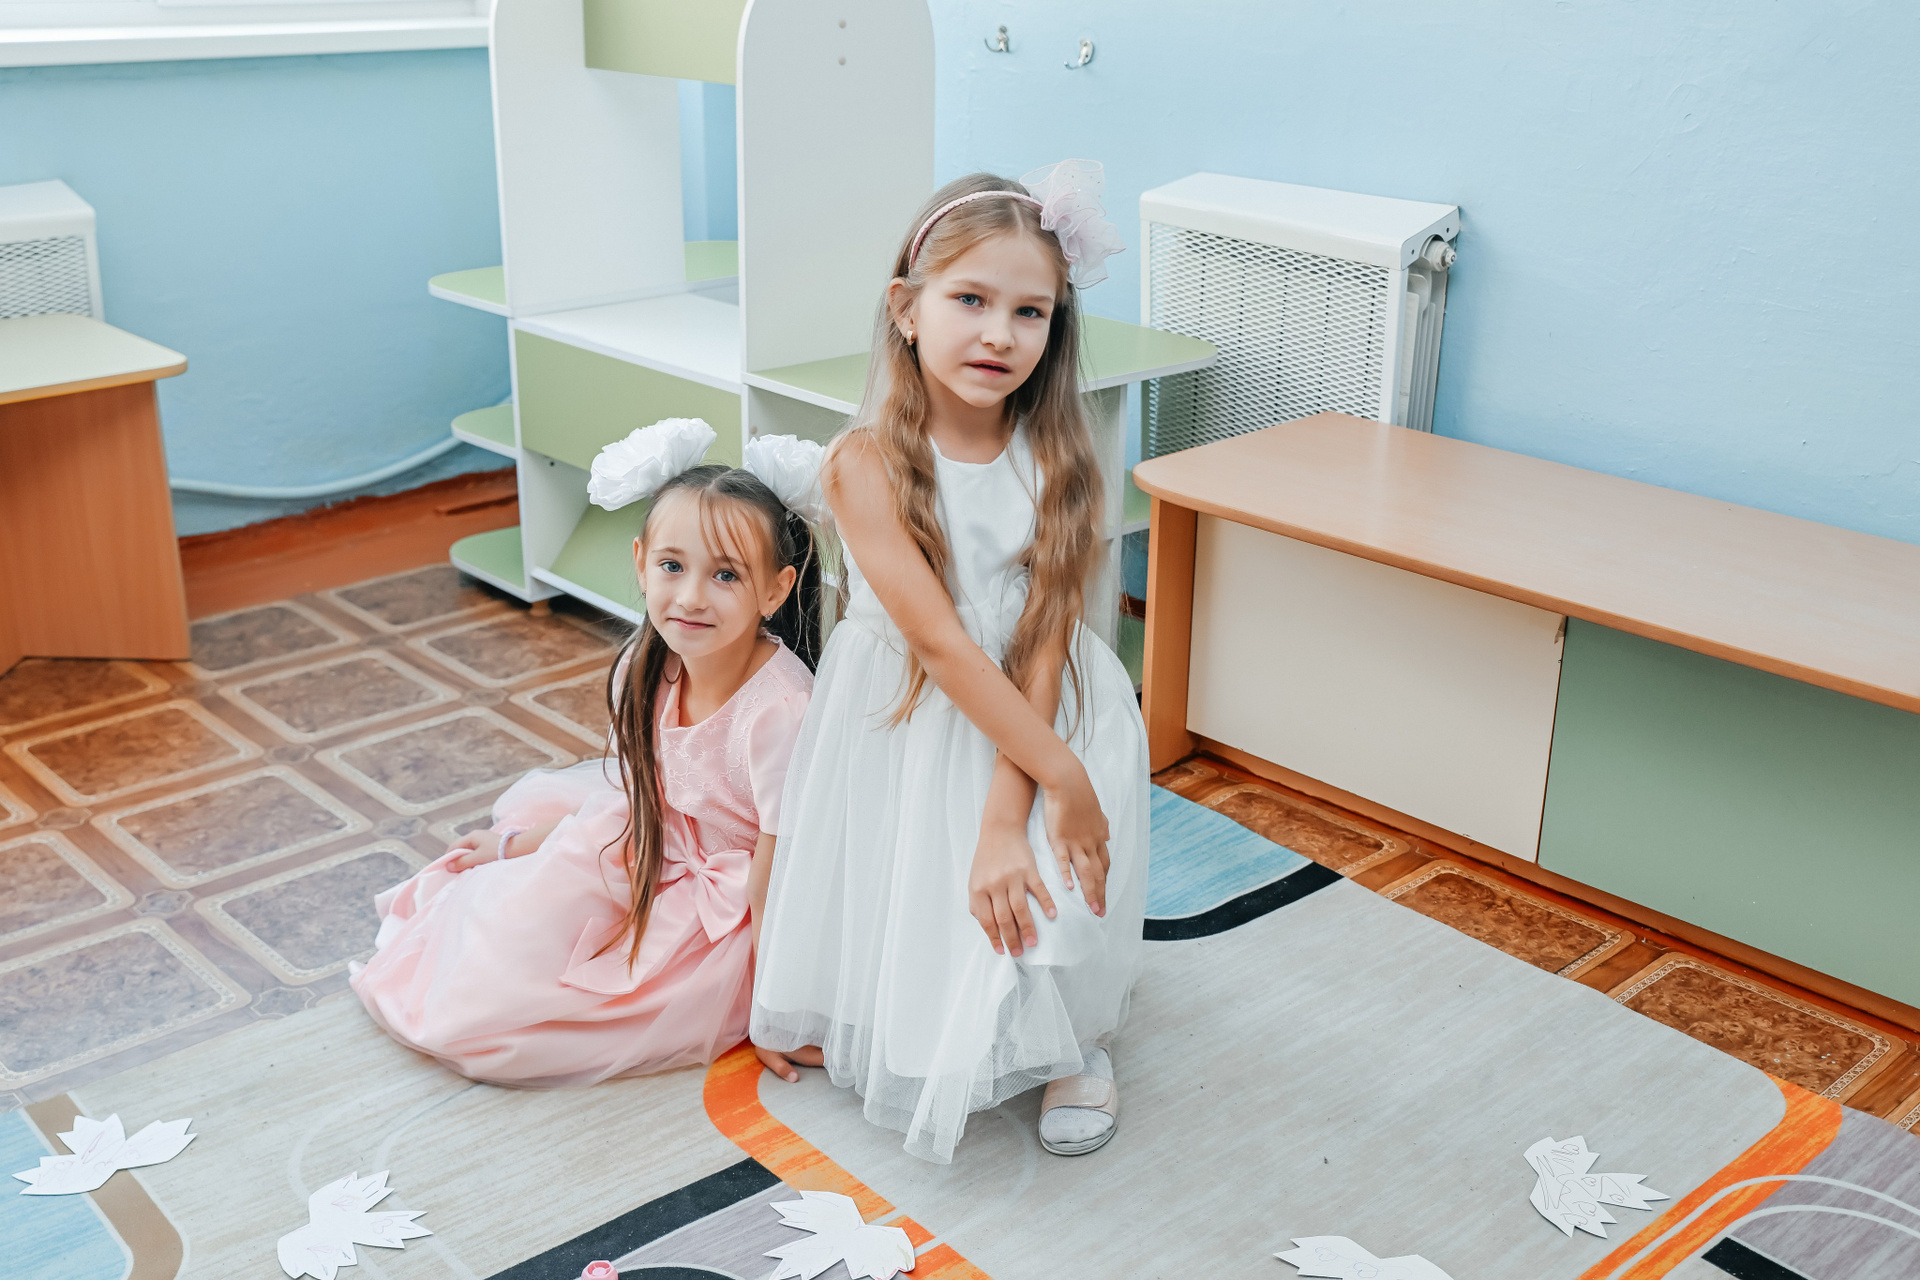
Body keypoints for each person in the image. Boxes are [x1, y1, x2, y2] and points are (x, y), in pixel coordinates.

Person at [750, 162, 1149, 1163]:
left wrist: (1029, 795)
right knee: (921, 873)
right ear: (907, 309)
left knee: (1040, 872)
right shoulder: (864, 463)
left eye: (1030, 311)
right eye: (970, 299)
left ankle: (1073, 1042)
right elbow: (940, 644)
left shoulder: (1062, 458)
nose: (999, 333)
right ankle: (932, 999)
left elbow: (1044, 637)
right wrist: (1055, 776)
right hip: (913, 704)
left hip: (1042, 706)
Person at [352, 420, 824, 1086]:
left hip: (740, 901)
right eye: (672, 566)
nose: (690, 597)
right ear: (641, 562)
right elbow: (634, 802)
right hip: (650, 846)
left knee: (532, 1023)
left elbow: (778, 871)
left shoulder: (780, 710)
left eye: (725, 575)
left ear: (775, 589)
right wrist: (520, 845)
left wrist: (776, 1011)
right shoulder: (647, 666)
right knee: (501, 939)